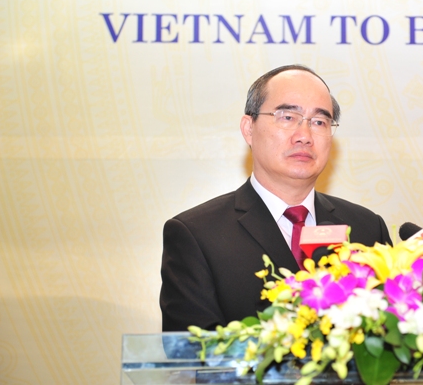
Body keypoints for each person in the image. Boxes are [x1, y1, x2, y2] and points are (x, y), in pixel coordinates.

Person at [160, 65, 392, 332]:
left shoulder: (366, 228)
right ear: (249, 129)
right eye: (287, 117)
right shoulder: (197, 235)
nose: (304, 136)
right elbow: (192, 352)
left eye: (319, 122)